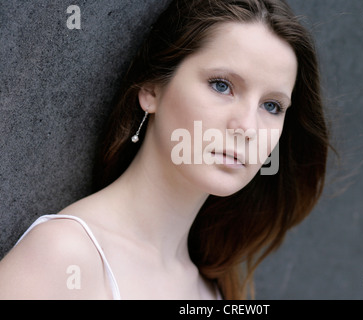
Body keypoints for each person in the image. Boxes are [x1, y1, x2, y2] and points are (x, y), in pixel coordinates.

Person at [0, 0, 330, 300]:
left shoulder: (212, 289)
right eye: (221, 85)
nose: (247, 127)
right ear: (152, 89)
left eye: (271, 106)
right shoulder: (65, 257)